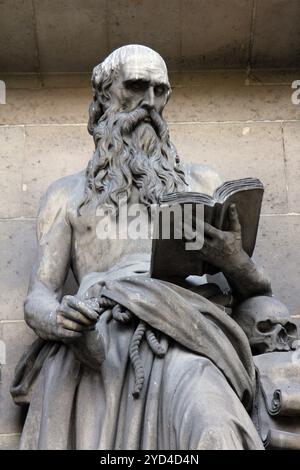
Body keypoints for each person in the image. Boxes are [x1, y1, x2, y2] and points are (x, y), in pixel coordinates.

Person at [12, 45, 273, 450]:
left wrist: (233, 260)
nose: (150, 103)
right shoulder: (65, 194)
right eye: (136, 86)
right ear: (104, 96)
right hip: (96, 342)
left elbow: (256, 292)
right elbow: (39, 295)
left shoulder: (201, 184)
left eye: (160, 91)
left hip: (187, 336)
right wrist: (62, 319)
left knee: (216, 428)